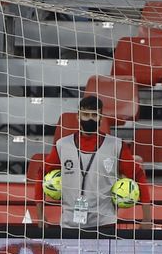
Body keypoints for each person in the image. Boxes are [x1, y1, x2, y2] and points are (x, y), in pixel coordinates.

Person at [27, 95, 153, 233]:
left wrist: (147, 218)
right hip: (70, 224)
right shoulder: (63, 145)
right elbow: (41, 173)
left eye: (94, 115)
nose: (90, 119)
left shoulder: (116, 146)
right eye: (86, 115)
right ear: (78, 116)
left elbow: (139, 176)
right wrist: (40, 215)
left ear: (101, 117)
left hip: (104, 224)